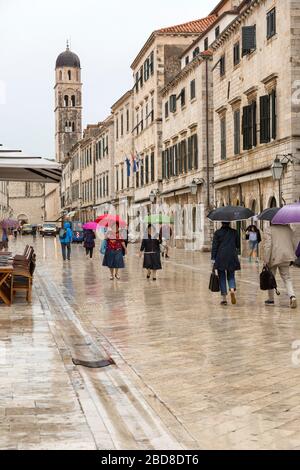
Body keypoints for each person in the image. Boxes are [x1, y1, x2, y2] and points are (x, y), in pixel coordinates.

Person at [263, 223, 297, 309]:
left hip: (274, 257)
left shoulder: (269, 229)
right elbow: (294, 242)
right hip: (286, 256)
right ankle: (292, 296)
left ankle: (271, 300)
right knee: (287, 278)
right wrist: (292, 255)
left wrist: (266, 260)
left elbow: (268, 246)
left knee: (271, 277)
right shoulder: (289, 229)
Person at [211, 222, 241, 306]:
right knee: (231, 275)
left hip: (220, 257)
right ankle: (231, 289)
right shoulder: (234, 232)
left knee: (222, 277)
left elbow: (214, 246)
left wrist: (213, 258)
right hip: (232, 256)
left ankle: (224, 299)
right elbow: (238, 245)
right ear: (229, 223)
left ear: (221, 223)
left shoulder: (217, 233)